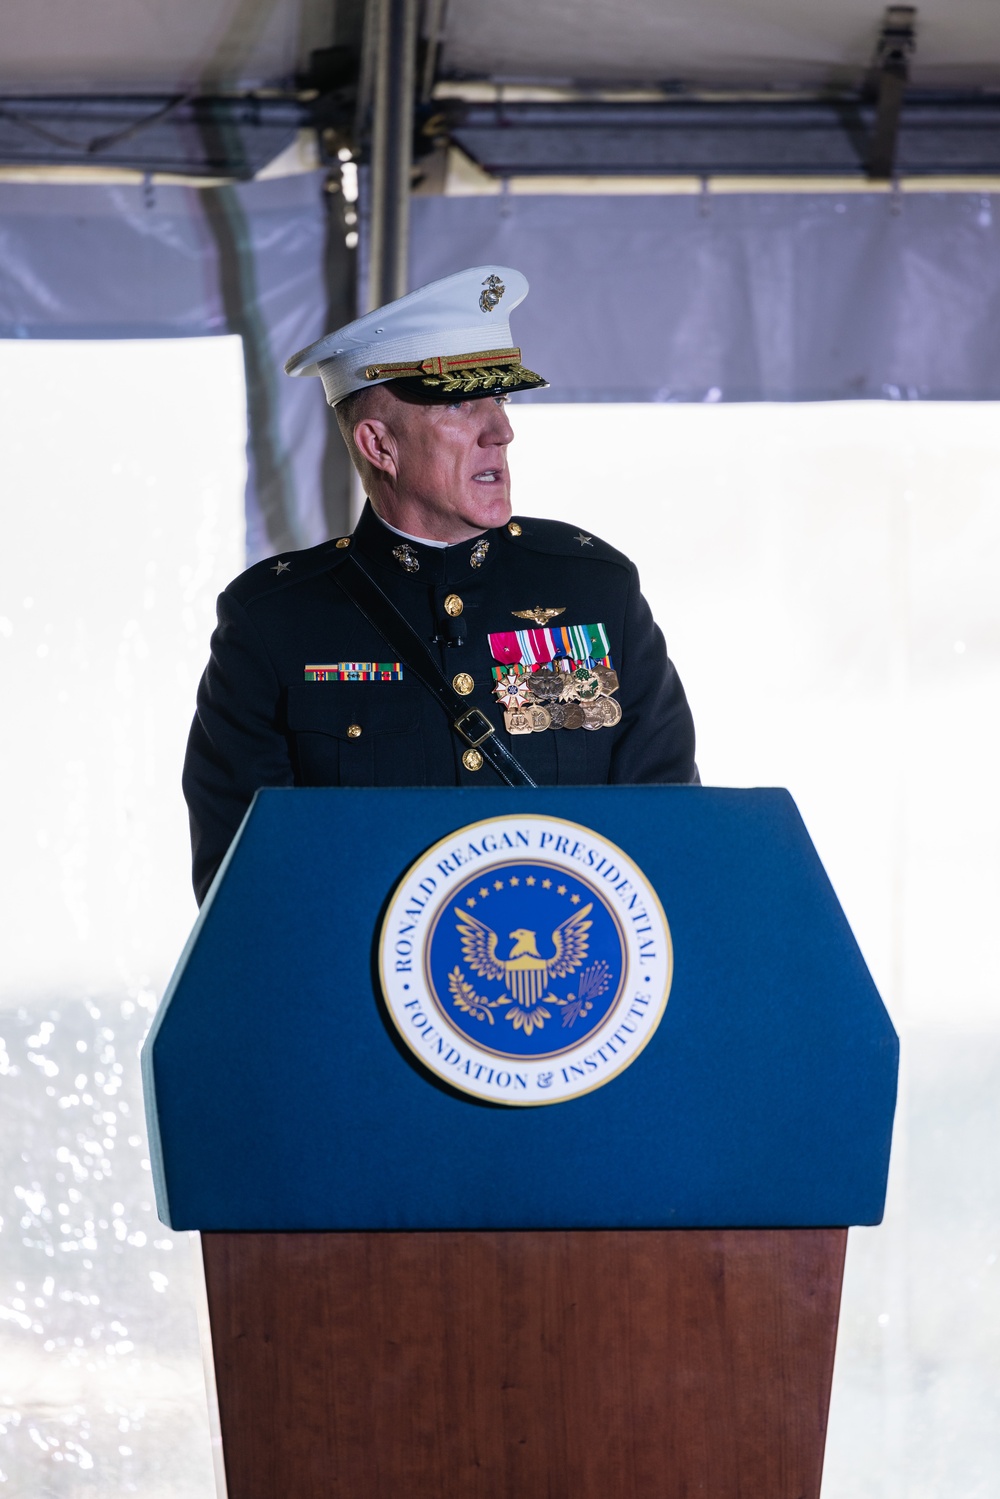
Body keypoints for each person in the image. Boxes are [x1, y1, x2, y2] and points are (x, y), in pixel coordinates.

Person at [182, 265, 697, 904]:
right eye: (461, 404)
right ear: (379, 444)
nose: (501, 431)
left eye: (501, 400)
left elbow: (671, 837)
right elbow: (246, 891)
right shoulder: (274, 621)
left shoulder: (597, 588)